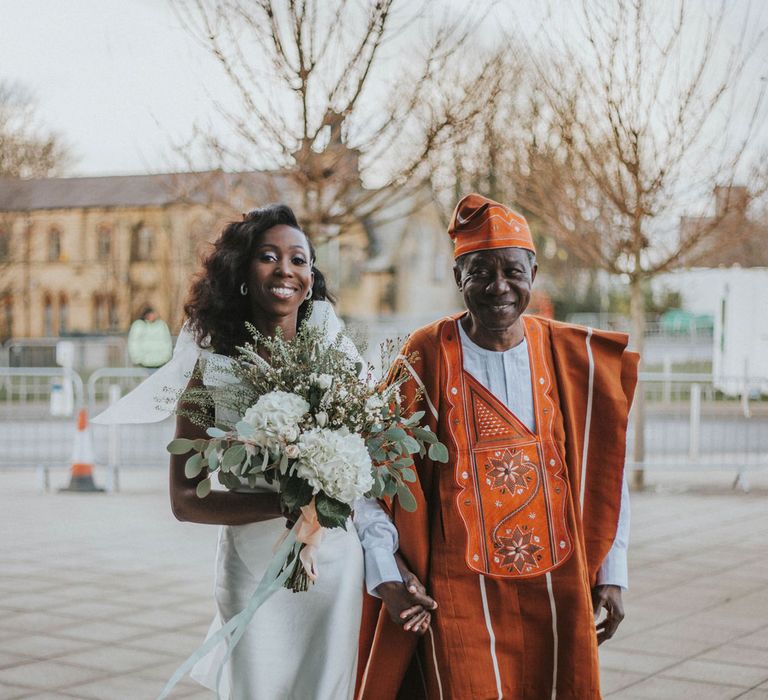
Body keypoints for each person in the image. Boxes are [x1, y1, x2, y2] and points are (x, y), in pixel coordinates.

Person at [356, 194, 639, 700]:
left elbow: (606, 469)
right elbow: (372, 475)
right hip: (457, 597)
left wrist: (612, 570)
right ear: (458, 277)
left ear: (533, 272)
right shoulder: (423, 354)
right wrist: (386, 572)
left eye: (512, 270)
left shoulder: (571, 354)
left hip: (558, 590)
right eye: (479, 272)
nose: (498, 287)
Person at [160, 204, 430, 699]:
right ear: (242, 273)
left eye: (299, 259)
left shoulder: (338, 358)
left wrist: (388, 564)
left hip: (334, 568)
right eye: (268, 256)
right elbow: (184, 500)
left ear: (310, 276)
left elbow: (367, 479)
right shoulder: (210, 374)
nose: (286, 269)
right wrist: (284, 503)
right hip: (252, 566)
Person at [127, 305, 172, 370]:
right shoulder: (138, 325)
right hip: (142, 364)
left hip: (160, 362)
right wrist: (137, 359)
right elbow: (133, 343)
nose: (151, 316)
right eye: (149, 314)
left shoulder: (161, 325)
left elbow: (167, 342)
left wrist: (166, 357)